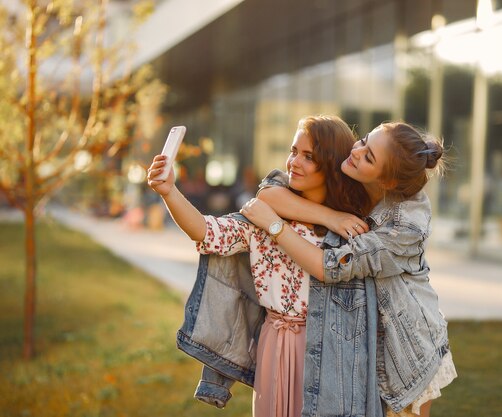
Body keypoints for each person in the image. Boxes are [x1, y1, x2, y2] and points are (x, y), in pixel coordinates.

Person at [146, 115, 372, 417]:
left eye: (309, 157)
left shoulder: (349, 225)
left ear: (331, 163)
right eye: (293, 151)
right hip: (274, 341)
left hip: (328, 346)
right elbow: (206, 232)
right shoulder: (263, 216)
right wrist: (169, 192)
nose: (294, 162)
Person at [242, 121, 457, 417]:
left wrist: (274, 225)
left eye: (369, 157)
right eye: (364, 141)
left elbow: (328, 267)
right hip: (361, 343)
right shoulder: (350, 174)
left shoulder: (405, 225)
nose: (357, 152)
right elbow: (269, 194)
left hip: (405, 350)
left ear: (388, 182)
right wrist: (330, 216)